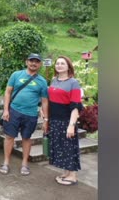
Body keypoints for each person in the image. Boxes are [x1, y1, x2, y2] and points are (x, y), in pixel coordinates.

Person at [0, 53, 49, 176]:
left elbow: (44, 101)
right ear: (27, 62)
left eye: (36, 61)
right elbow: (7, 92)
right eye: (31, 60)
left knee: (26, 138)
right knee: (9, 137)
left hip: (31, 114)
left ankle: (24, 164)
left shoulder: (42, 81)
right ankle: (6, 162)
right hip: (14, 111)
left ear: (40, 64)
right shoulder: (16, 75)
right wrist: (6, 110)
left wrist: (46, 119)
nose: (33, 63)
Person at [47, 55, 83, 186]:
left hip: (66, 121)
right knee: (60, 147)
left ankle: (72, 176)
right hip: (55, 120)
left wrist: (71, 125)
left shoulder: (73, 83)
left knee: (69, 147)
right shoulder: (53, 80)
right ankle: (66, 172)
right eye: (57, 63)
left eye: (62, 63)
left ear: (68, 66)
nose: (59, 65)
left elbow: (75, 106)